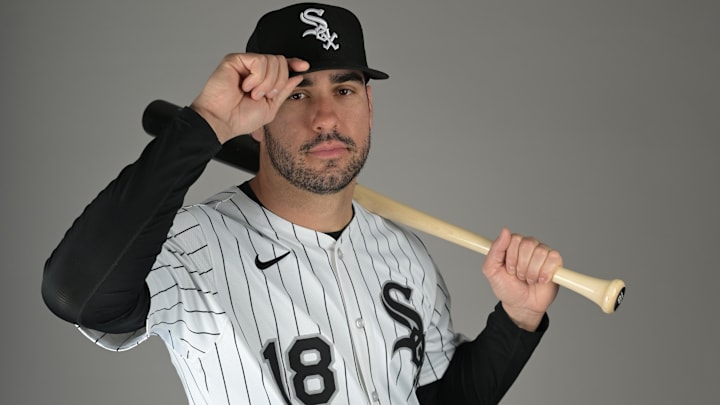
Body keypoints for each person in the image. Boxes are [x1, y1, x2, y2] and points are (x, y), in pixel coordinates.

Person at [42, 3, 562, 404]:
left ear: (369, 103)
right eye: (297, 93)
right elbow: (76, 295)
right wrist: (205, 123)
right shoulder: (192, 246)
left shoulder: (406, 256)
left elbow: (438, 399)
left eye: (344, 90)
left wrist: (515, 322)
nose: (325, 118)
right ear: (258, 114)